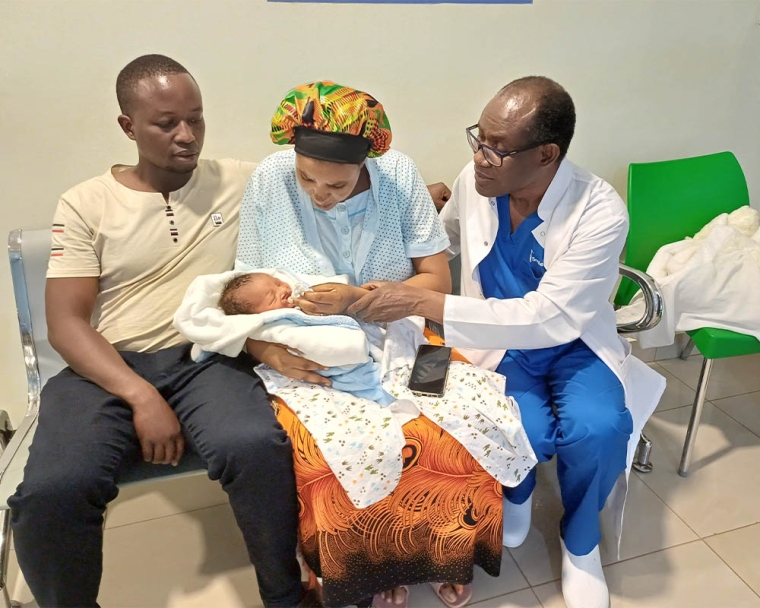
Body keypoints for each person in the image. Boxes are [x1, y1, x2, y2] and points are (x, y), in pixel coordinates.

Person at [8, 54, 320, 608]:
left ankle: (286, 596)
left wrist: (414, 194)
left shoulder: (242, 179)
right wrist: (139, 394)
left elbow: (329, 171)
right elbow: (64, 323)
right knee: (53, 491)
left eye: (196, 119)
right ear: (128, 127)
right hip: (106, 367)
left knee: (253, 445)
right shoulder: (86, 204)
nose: (187, 135)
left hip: (207, 356)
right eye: (166, 122)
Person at [348, 76, 666, 608]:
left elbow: (550, 316)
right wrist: (407, 219)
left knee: (599, 428)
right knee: (515, 425)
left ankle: (581, 543)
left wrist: (423, 304)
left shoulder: (599, 211)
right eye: (478, 139)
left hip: (572, 344)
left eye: (498, 149)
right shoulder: (477, 183)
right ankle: (516, 497)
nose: (480, 158)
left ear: (547, 155)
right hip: (492, 341)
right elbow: (437, 242)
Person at [234, 82, 499, 608]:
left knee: (462, 418)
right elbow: (248, 282)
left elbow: (435, 282)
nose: (318, 194)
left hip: (409, 331)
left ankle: (446, 553)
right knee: (333, 449)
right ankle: (374, 566)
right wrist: (267, 347)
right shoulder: (270, 178)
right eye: (306, 177)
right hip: (314, 346)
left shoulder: (398, 175)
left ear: (366, 165)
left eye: (335, 183)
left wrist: (362, 298)